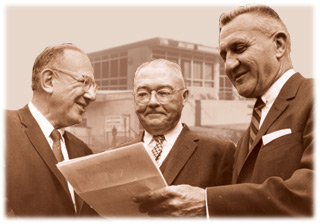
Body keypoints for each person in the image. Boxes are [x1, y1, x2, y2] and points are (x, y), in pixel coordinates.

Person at [133, 5, 313, 217]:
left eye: (239, 48)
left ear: (279, 45)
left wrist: (208, 202)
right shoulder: (248, 134)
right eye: (224, 55)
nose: (229, 65)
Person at [5, 43, 100, 217]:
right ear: (48, 81)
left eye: (94, 86)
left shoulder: (84, 152)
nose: (91, 96)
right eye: (84, 82)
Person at [123, 59, 235, 189]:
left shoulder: (218, 153)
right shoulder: (116, 157)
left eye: (163, 93)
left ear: (184, 97)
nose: (152, 102)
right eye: (142, 94)